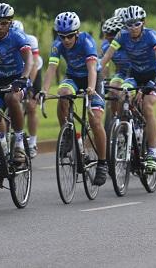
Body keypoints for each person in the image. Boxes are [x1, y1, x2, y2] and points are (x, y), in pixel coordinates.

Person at [40, 11, 108, 186]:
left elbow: (92, 68)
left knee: (96, 121)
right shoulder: (58, 45)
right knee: (62, 94)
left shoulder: (86, 41)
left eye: (70, 36)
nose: (66, 40)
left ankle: (102, 163)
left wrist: (91, 88)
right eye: (62, 37)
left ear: (76, 33)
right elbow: (51, 69)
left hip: (93, 77)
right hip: (73, 77)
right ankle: (68, 134)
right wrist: (44, 90)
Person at [101, 5, 156, 174]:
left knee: (147, 106)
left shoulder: (151, 35)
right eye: (129, 24)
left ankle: (152, 153)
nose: (133, 28)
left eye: (136, 24)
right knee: (121, 94)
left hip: (152, 77)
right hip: (134, 75)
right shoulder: (122, 36)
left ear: (143, 23)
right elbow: (107, 56)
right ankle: (124, 136)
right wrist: (95, 75)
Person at [0, 4, 32, 163]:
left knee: (11, 99)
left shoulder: (18, 36)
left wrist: (23, 78)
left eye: (3, 23)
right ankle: (2, 145)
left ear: (10, 22)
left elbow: (29, 60)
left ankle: (19, 143)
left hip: (17, 78)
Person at [11, 19, 42, 158]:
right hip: (15, 71)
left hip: (33, 71)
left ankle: (32, 143)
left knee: (31, 106)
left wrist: (29, 86)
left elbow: (34, 64)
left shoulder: (30, 40)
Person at [100, 16, 128, 122]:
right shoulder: (106, 47)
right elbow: (102, 66)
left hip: (136, 74)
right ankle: (116, 121)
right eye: (106, 35)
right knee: (113, 89)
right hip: (121, 73)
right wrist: (100, 80)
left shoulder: (130, 43)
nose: (107, 38)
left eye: (111, 35)